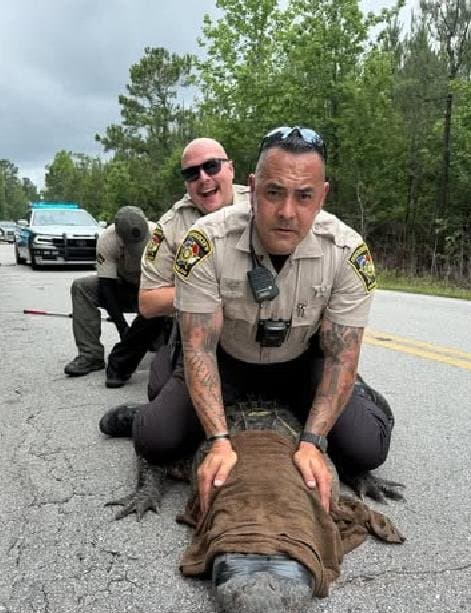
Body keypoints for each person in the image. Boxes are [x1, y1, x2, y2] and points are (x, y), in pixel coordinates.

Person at [131, 125, 394, 514]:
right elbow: (199, 348)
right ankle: (139, 417)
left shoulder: (347, 252)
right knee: (156, 439)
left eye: (304, 196)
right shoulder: (205, 242)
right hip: (226, 360)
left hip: (301, 361)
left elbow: (342, 356)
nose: (287, 212)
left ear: (322, 195)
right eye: (273, 193)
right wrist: (219, 441)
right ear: (252, 189)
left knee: (365, 448)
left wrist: (314, 442)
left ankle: (363, 397)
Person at [102, 137, 250, 393]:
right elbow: (148, 303)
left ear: (231, 168)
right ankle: (120, 365)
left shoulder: (264, 204)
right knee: (159, 393)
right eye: (192, 173)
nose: (203, 177)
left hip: (266, 326)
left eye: (212, 166)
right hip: (197, 326)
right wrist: (225, 289)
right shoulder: (169, 226)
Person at [62, 206, 158, 380]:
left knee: (160, 345)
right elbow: (107, 288)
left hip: (153, 291)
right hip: (122, 288)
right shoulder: (107, 240)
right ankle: (90, 355)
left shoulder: (161, 235)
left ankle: (164, 343)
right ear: (120, 237)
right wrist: (123, 328)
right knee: (81, 287)